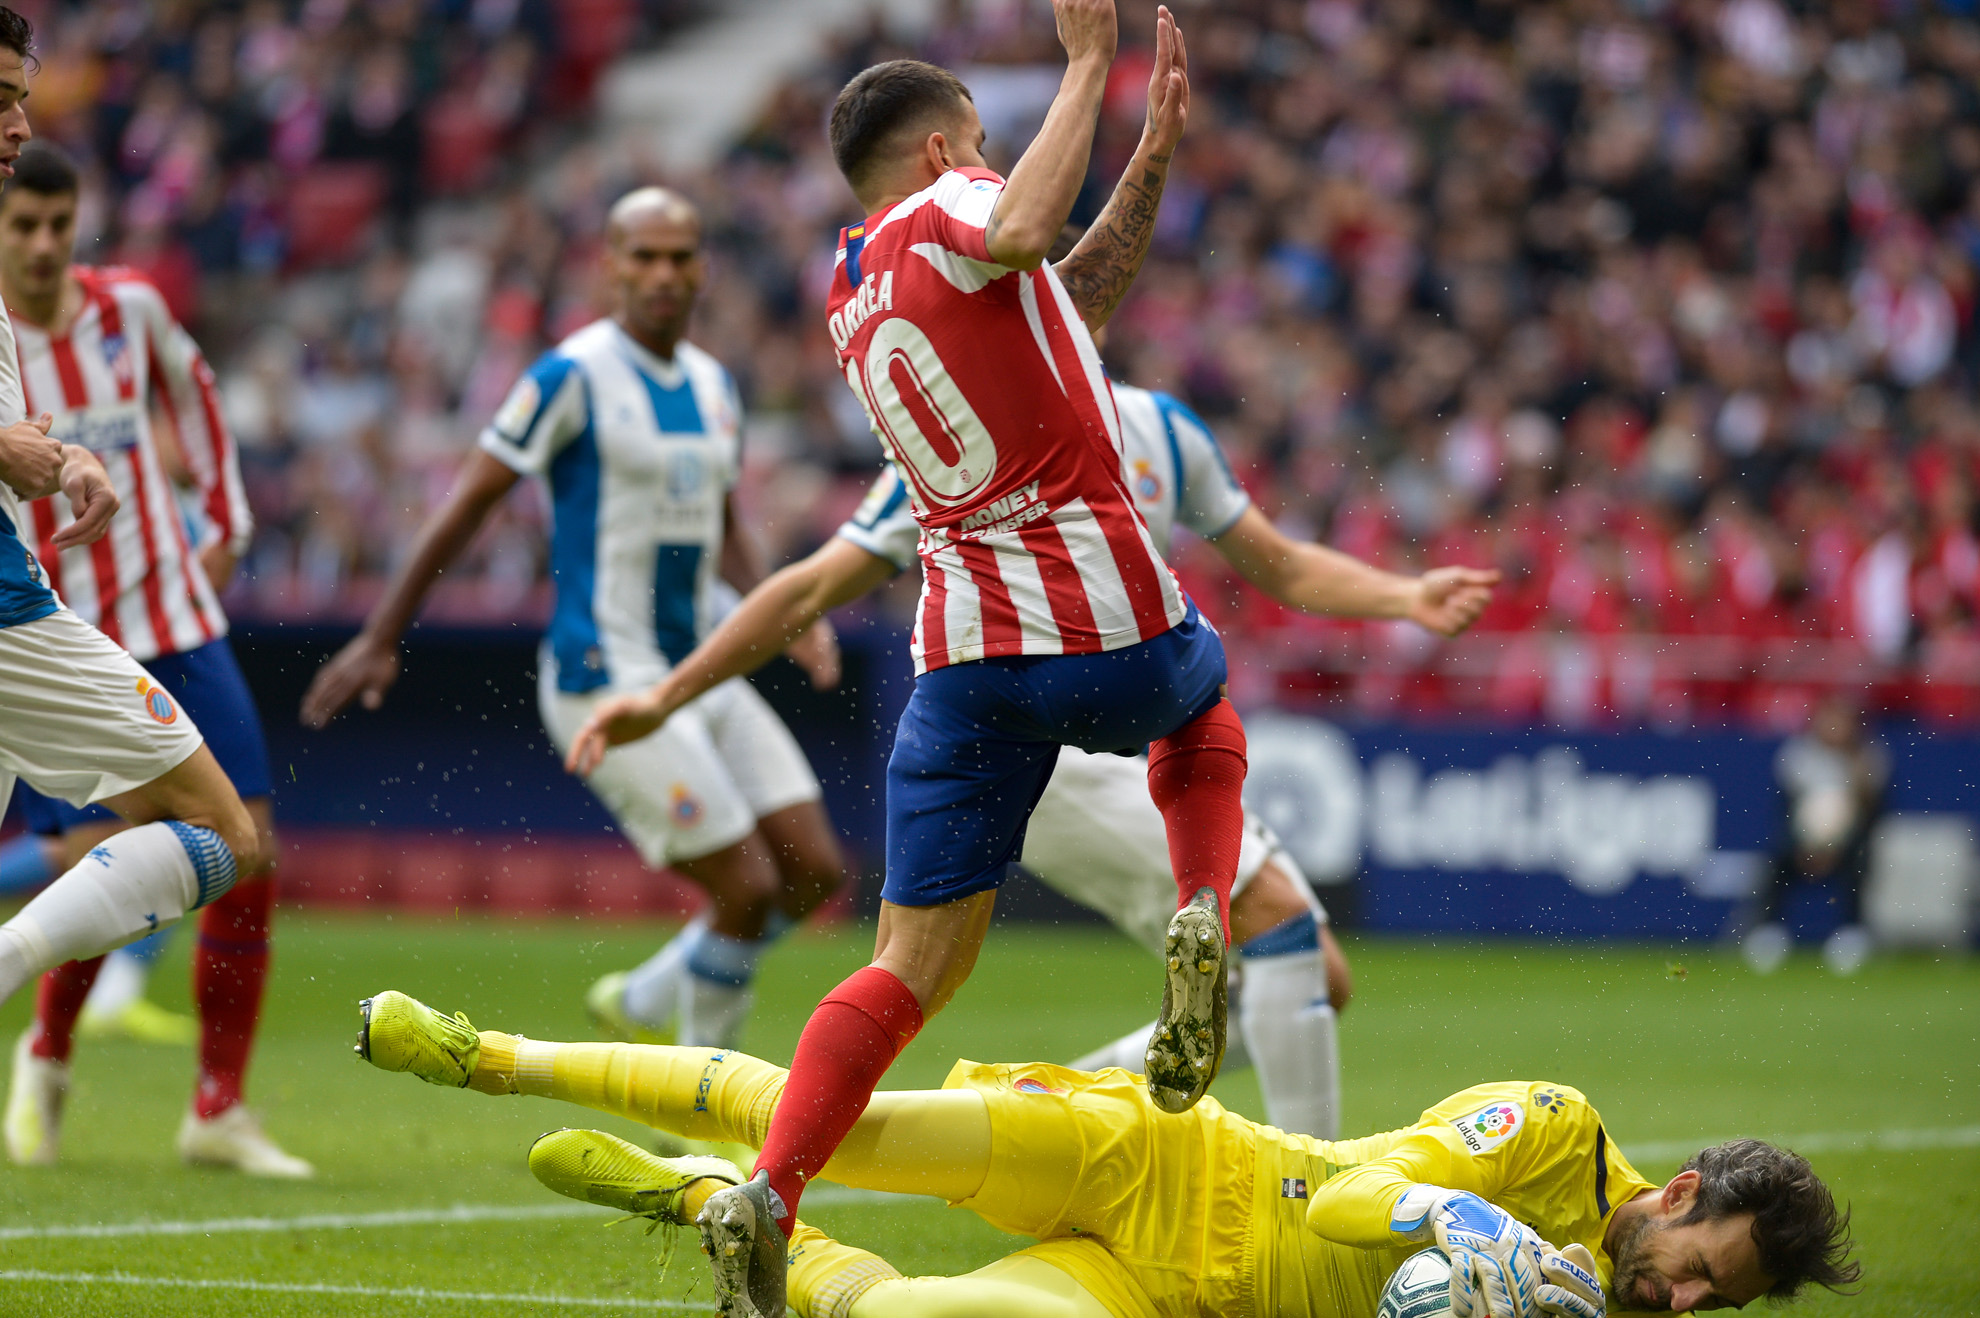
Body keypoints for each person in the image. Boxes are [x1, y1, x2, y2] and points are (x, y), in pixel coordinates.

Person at [568, 16, 1233, 1306]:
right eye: (980, 143)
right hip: (1089, 598)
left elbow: (1061, 294)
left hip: (961, 651)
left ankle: (773, 1185)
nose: (992, 162)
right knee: (1203, 702)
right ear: (942, 147)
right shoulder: (956, 202)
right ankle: (1201, 902)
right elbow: (1025, 230)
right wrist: (1092, 73)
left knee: (905, 963)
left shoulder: (853, 277)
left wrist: (1147, 155)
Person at [568, 376, 1496, 1139]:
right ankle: (1314, 1198)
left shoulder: (1159, 427)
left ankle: (1044, 1112)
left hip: (1149, 733)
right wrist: (668, 693)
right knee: (1277, 927)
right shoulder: (955, 443)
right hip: (1034, 752)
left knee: (1312, 979)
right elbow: (811, 582)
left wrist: (1406, 597)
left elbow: (1283, 566)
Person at [355, 988, 1862, 1318]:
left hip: (1171, 1301)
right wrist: (1458, 1219)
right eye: (1694, 1267)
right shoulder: (1553, 1128)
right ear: (1675, 1194)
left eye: (1706, 1309)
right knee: (844, 1123)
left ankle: (708, 1207)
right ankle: (493, 1055)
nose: (1678, 1302)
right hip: (1160, 1162)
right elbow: (1346, 1196)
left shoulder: (1594, 1316)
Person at [299, 187, 848, 1051]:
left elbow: (726, 525)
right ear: (610, 267)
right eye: (644, 256)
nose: (663, 273)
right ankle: (704, 1111)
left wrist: (784, 610)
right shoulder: (571, 376)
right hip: (603, 677)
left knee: (815, 874)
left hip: (697, 669)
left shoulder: (713, 386)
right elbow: (468, 503)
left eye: (679, 257)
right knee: (743, 888)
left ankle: (648, 995)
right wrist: (380, 635)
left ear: (702, 268)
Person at [0, 143, 308, 1176]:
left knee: (246, 849)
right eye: (24, 225)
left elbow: (200, 392)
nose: (43, 245)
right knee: (117, 852)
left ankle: (218, 1104)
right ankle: (44, 1055)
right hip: (51, 628)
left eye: (58, 223)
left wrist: (224, 516)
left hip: (175, 611)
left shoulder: (127, 309)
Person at [1741, 696, 1890, 977]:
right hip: (1803, 840)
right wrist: (1806, 846)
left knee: (1859, 862)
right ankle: (1768, 932)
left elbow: (1873, 811)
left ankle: (1852, 933)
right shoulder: (1799, 754)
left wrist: (1855, 767)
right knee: (1777, 860)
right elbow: (1786, 807)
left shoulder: (1868, 755)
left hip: (1851, 840)